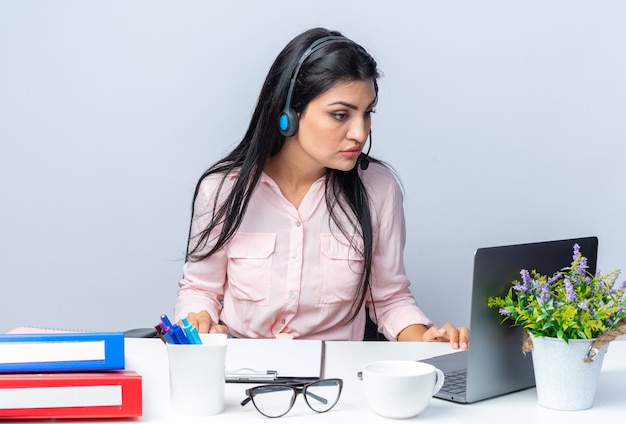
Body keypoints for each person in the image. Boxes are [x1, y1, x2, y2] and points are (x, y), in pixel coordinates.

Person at [174, 27, 469, 349]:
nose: (359, 132)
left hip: (339, 381)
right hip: (245, 377)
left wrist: (426, 339)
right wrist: (198, 319)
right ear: (288, 114)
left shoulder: (379, 189)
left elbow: (389, 298)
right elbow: (200, 290)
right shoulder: (222, 190)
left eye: (367, 113)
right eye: (340, 115)